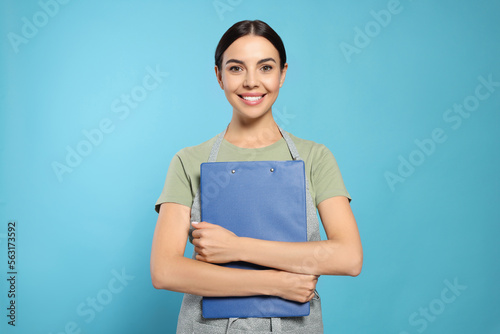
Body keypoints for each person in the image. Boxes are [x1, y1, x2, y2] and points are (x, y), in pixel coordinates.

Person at [150, 20, 363, 333]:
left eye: (265, 67)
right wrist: (275, 283)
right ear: (218, 75)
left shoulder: (315, 157)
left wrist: (237, 248)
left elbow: (348, 257)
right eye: (236, 68)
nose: (251, 82)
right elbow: (164, 270)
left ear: (282, 74)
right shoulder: (188, 161)